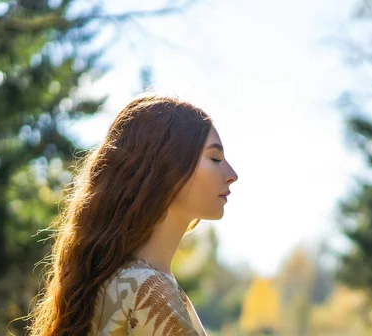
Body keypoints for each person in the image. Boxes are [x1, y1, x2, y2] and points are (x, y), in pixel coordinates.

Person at [28, 94, 238, 335]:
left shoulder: (116, 282)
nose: (231, 174)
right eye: (215, 158)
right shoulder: (148, 290)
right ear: (167, 167)